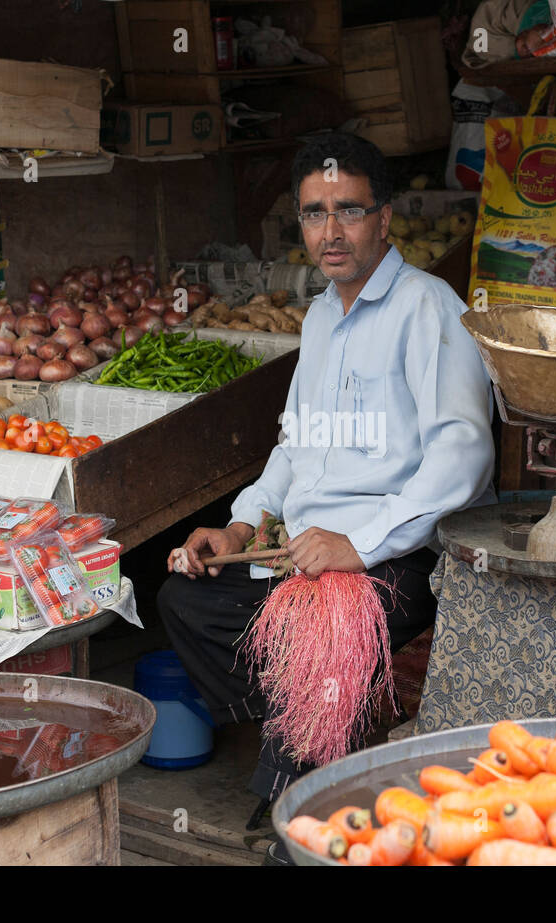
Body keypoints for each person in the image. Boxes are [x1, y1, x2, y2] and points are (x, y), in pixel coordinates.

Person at [157, 132, 496, 813]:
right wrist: (242, 523)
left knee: (316, 629)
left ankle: (297, 802)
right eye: (315, 213)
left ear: (386, 218)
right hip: (307, 553)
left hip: (399, 557)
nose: (331, 231)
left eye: (349, 210)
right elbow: (294, 446)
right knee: (185, 599)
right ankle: (309, 742)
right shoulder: (318, 318)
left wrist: (360, 544)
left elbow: (464, 453)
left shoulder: (431, 311)